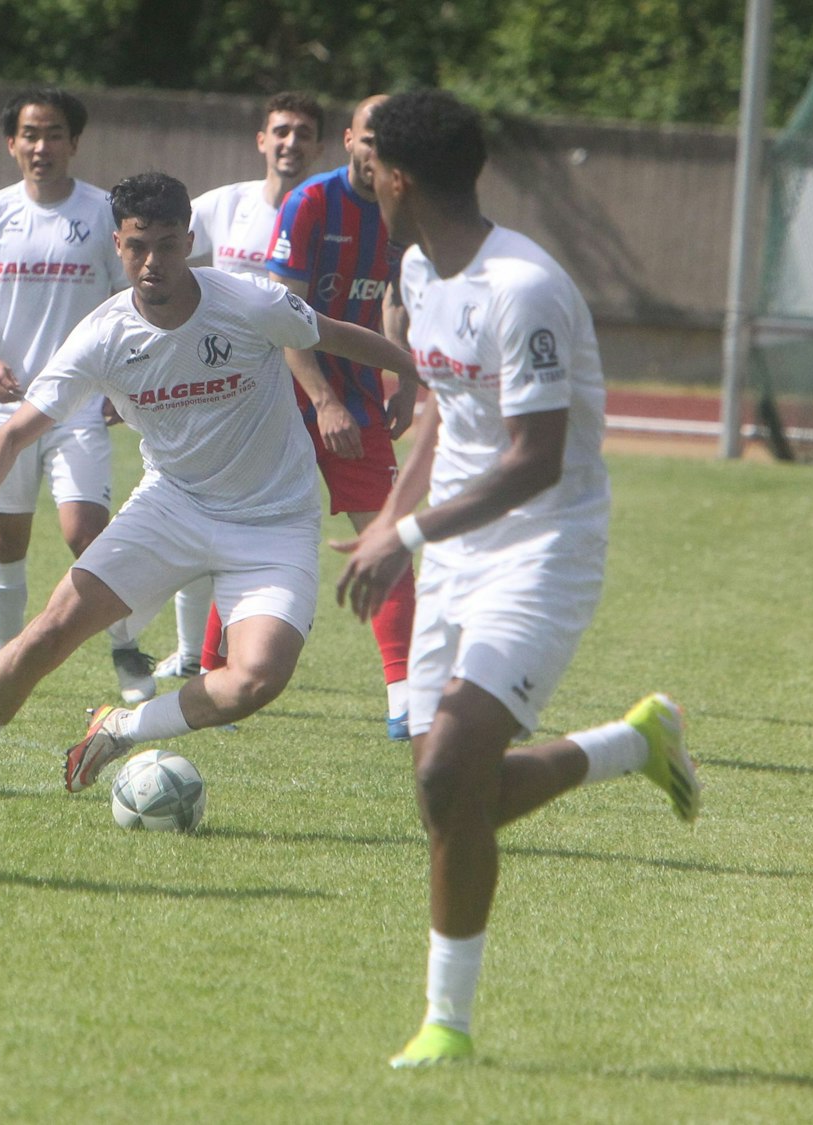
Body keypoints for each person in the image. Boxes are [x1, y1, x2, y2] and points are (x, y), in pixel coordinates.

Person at [329, 91, 702, 1068]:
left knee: (450, 775)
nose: (357, 171)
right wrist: (393, 530)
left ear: (399, 178)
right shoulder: (417, 265)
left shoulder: (522, 289)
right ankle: (632, 744)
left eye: (367, 159)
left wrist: (402, 527)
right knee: (449, 796)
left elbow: (534, 460)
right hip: (450, 549)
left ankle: (445, 1027)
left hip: (539, 548)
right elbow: (443, 418)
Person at [0, 172, 417, 813]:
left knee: (256, 679)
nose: (153, 262)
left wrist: (420, 371)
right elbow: (19, 426)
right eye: (138, 246)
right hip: (172, 506)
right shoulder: (102, 335)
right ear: (117, 244)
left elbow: (334, 334)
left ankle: (121, 728)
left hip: (274, 520)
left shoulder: (250, 302)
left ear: (190, 241)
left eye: (168, 245)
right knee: (47, 634)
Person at [0, 86, 157, 705]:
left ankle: (125, 646)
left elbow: (130, 300)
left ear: (75, 142)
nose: (42, 146)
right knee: (5, 540)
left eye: (55, 134)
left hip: (78, 404)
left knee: (86, 534)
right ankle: (9, 663)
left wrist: (124, 378)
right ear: (12, 142)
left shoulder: (100, 212)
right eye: (30, 135)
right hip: (7, 404)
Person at [146, 91, 326, 683]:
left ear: (317, 145)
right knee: (204, 502)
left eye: (303, 133)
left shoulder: (325, 211)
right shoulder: (226, 205)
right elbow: (157, 259)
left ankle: (249, 640)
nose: (290, 143)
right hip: (222, 383)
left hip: (306, 375)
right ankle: (195, 655)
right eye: (281, 131)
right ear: (262, 140)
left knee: (274, 519)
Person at [263, 94, 420, 740]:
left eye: (388, 141)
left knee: (388, 541)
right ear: (350, 138)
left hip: (358, 401)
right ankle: (210, 672)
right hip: (285, 398)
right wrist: (323, 400)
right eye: (368, 137)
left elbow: (394, 295)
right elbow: (284, 316)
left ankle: (406, 698)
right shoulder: (309, 204)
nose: (375, 150)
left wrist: (405, 380)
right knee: (260, 533)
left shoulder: (402, 206)